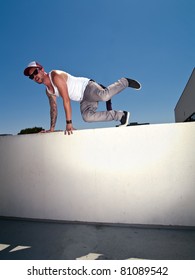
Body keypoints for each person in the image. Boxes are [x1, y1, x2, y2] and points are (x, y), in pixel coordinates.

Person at [23, 61, 141, 135]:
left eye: (36, 72)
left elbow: (66, 100)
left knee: (104, 96)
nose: (34, 77)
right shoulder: (49, 91)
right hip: (83, 99)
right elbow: (53, 108)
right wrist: (51, 129)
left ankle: (124, 82)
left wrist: (69, 123)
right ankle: (121, 115)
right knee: (87, 117)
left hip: (87, 87)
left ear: (42, 69)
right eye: (31, 77)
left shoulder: (55, 76)